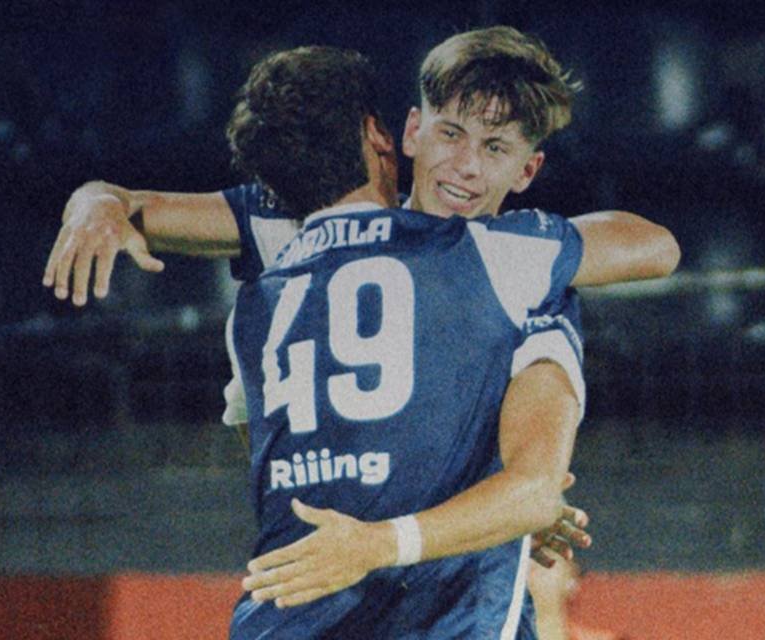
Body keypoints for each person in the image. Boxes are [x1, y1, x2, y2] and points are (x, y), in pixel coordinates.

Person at [222, 44, 587, 638]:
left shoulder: (259, 296)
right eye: (453, 135)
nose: (467, 166)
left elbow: (273, 457)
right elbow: (535, 493)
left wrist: (105, 197)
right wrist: (486, 511)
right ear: (399, 133)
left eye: (494, 147)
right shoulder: (514, 264)